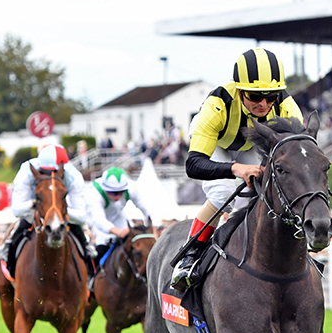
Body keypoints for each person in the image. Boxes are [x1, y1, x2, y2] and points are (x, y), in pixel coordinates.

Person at [170, 47, 304, 289]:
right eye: (255, 97)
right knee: (223, 194)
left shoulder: (287, 107)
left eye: (270, 96)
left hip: (251, 143)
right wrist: (235, 169)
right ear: (240, 90)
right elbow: (193, 165)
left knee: (257, 197)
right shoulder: (217, 104)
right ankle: (189, 255)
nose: (263, 104)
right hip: (217, 143)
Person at [0, 143, 96, 281]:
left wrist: (60, 215)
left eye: (55, 172)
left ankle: (90, 272)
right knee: (16, 235)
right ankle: (8, 258)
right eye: (45, 172)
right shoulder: (26, 171)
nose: (50, 175)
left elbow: (81, 216)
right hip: (32, 215)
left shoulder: (74, 177)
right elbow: (17, 210)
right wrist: (34, 205)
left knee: (84, 241)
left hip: (63, 216)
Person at [84, 166, 153, 263]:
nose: (116, 197)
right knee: (102, 245)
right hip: (95, 221)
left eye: (120, 192)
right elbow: (98, 219)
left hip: (118, 216)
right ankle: (94, 272)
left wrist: (152, 228)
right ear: (105, 189)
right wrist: (118, 232)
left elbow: (146, 209)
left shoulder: (132, 188)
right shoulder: (95, 193)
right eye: (112, 193)